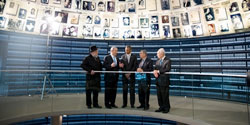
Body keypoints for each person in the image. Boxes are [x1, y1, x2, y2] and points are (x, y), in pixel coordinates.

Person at [153, 48, 171, 113]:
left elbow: (167, 69)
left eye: (157, 53)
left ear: (161, 53)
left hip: (164, 81)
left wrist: (158, 71)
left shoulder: (168, 60)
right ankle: (161, 107)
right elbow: (155, 68)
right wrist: (155, 71)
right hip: (158, 81)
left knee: (165, 95)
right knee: (159, 95)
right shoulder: (157, 61)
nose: (157, 54)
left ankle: (166, 108)